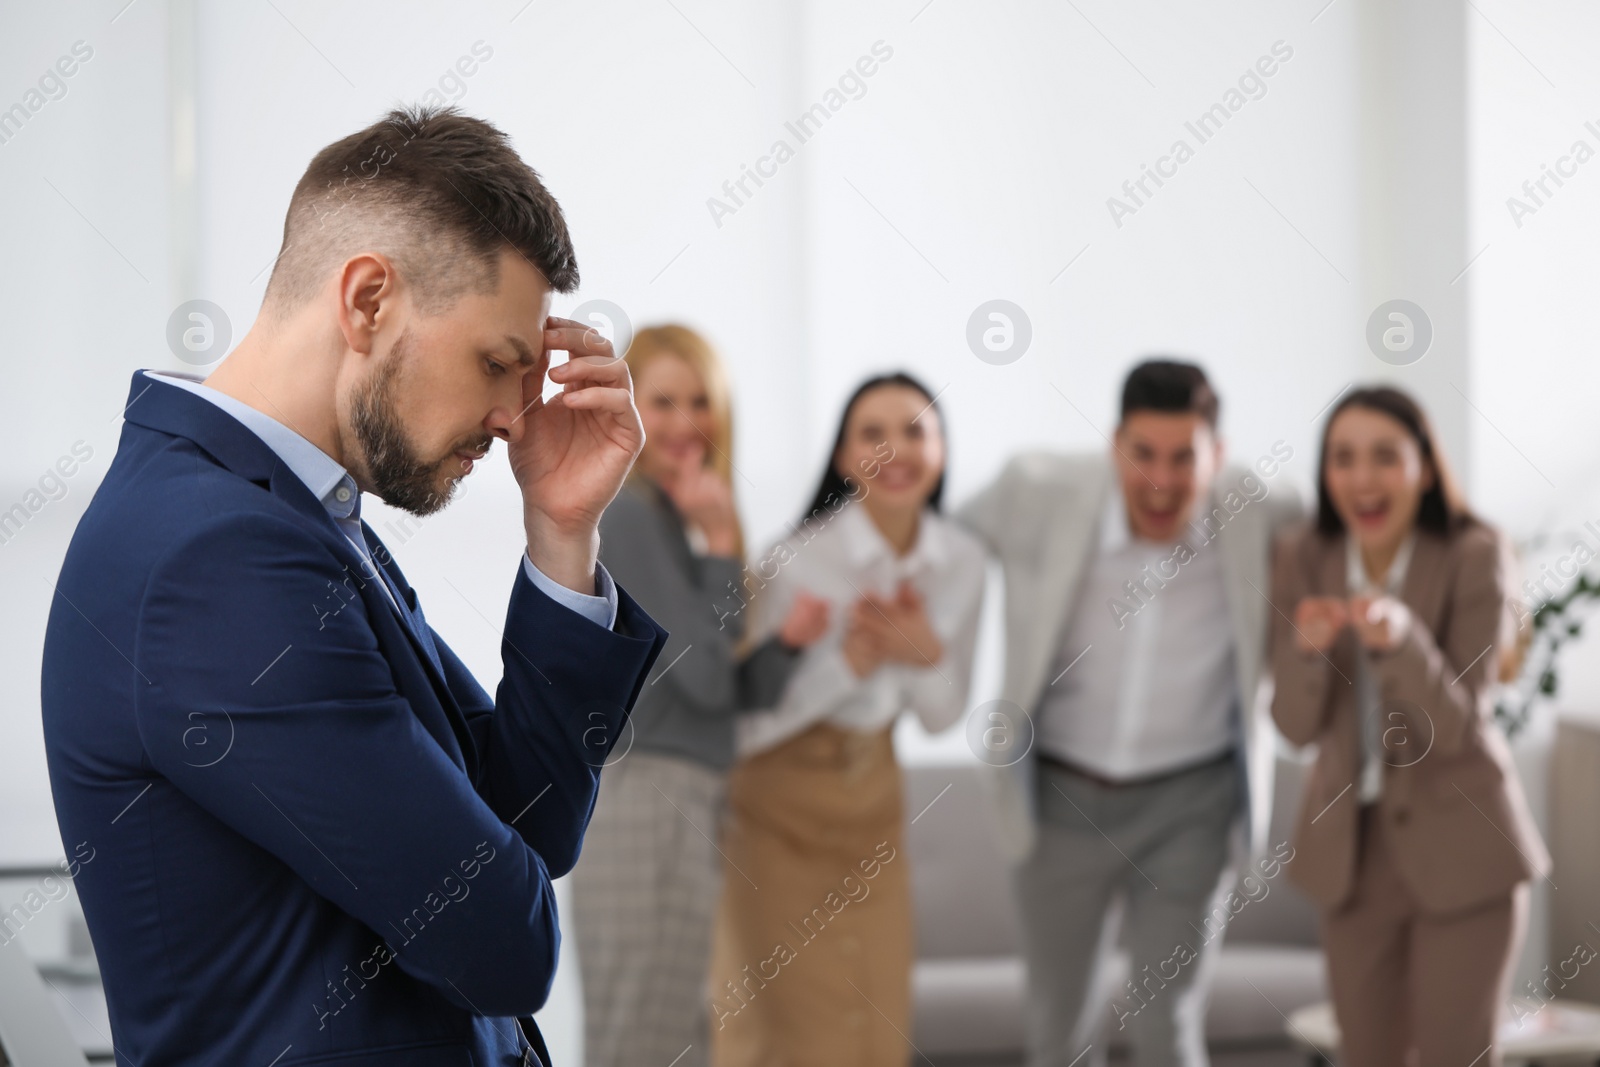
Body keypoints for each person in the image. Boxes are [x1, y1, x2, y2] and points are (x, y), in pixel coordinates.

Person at [39, 105, 668, 1067]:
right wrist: (504, 884)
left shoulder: (293, 516)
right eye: (498, 362)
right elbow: (503, 942)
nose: (513, 417)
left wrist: (560, 532)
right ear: (368, 298)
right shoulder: (215, 561)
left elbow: (526, 815)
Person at [958, 360, 1301, 1067]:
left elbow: (1364, 521)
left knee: (1166, 1023)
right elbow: (934, 539)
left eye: (1185, 457)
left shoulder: (1259, 506)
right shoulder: (1037, 489)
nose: (1161, 480)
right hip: (1060, 797)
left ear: (1219, 455)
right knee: (1059, 1030)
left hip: (1191, 803)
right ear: (1115, 444)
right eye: (1143, 453)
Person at [708, 373, 985, 1067]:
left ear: (944, 450)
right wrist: (847, 668)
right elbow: (742, 723)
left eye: (916, 429)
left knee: (876, 1019)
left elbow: (943, 715)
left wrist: (922, 653)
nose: (897, 447)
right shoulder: (795, 560)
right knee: (783, 1032)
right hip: (776, 807)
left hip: (874, 803)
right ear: (841, 456)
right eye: (873, 432)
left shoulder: (964, 562)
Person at [571, 324, 828, 1067]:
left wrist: (788, 647)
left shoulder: (672, 519)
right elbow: (707, 678)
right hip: (649, 799)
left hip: (680, 794)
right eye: (663, 402)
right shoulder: (632, 514)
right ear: (630, 410)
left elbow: (722, 691)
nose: (684, 422)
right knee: (644, 1041)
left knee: (672, 1034)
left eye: (698, 401)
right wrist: (721, 548)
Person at [1269, 386, 1548, 1067]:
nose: (1362, 478)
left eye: (1385, 456)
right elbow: (1294, 727)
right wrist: (1306, 656)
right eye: (1343, 458)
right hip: (1351, 860)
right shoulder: (1303, 554)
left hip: (1465, 854)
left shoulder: (1475, 553)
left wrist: (1403, 640)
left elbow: (1456, 727)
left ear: (1422, 466)